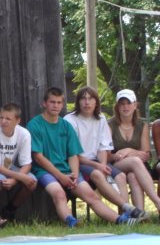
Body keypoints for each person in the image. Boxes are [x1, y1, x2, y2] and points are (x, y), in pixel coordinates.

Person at [27, 87, 137, 227]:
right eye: (52, 102)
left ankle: (121, 220)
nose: (55, 106)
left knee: (92, 196)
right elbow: (38, 157)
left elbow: (73, 155)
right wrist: (61, 176)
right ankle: (71, 222)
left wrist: (74, 174)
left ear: (62, 104)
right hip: (44, 171)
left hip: (67, 170)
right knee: (59, 194)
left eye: (59, 102)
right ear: (44, 103)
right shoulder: (35, 124)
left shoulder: (66, 126)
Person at [64, 87, 146, 219]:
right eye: (83, 99)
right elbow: (73, 154)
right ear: (78, 102)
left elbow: (104, 146)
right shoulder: (70, 120)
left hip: (97, 161)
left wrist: (102, 164)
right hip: (78, 162)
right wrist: (98, 166)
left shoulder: (101, 118)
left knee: (121, 176)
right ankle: (127, 210)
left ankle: (125, 215)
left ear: (96, 102)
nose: (87, 102)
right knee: (98, 174)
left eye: (90, 99)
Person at [108, 89, 160, 216]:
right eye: (122, 103)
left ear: (135, 105)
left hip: (139, 168)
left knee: (133, 176)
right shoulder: (110, 125)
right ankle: (157, 202)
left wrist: (128, 151)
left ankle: (140, 215)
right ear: (117, 106)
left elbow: (145, 155)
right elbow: (108, 156)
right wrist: (130, 155)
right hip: (116, 165)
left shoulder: (142, 125)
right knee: (135, 160)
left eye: (128, 103)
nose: (125, 107)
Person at [0, 103, 37, 221]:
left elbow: (27, 164)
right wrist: (19, 177)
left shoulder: (24, 134)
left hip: (9, 168)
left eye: (8, 119)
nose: (3, 121)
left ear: (17, 121)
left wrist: (15, 179)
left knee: (32, 182)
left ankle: (10, 210)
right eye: (1, 118)